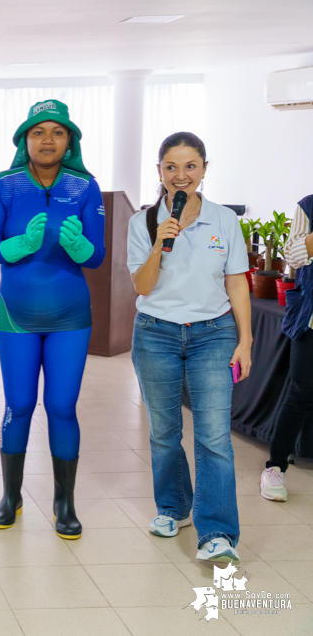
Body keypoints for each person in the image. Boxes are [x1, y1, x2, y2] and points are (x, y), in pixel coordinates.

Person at [0, 100, 105, 540]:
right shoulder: (4, 184)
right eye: (38, 132)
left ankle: (64, 503)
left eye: (57, 132)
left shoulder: (84, 186)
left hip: (71, 316)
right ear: (24, 140)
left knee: (61, 407)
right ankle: (10, 497)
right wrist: (18, 245)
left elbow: (99, 254)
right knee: (19, 406)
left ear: (70, 141)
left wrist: (81, 250)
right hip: (15, 316)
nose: (47, 139)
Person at [127, 132, 251, 564]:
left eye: (190, 166)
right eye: (171, 167)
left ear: (204, 169)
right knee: (164, 433)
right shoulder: (142, 222)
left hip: (213, 334)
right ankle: (174, 508)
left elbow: (237, 280)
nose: (181, 176)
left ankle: (217, 531)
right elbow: (141, 286)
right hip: (155, 333)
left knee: (214, 436)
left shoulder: (224, 220)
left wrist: (246, 339)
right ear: (159, 172)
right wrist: (162, 241)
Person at [260, 194, 313, 501]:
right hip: (310, 321)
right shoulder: (307, 206)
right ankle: (275, 467)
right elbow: (293, 255)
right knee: (300, 392)